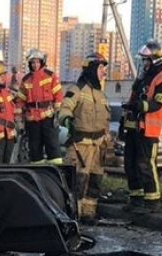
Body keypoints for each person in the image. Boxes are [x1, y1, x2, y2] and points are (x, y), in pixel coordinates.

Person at [120, 41, 162, 213]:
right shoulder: (142, 77)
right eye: (143, 60)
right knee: (130, 164)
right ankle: (135, 198)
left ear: (155, 60)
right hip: (133, 128)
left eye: (146, 60)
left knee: (146, 165)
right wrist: (124, 120)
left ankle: (152, 201)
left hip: (148, 131)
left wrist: (140, 106)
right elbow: (133, 98)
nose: (144, 64)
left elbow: (157, 104)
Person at [58, 53, 112, 224]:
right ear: (91, 69)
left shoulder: (101, 94)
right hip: (81, 146)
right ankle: (73, 215)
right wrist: (67, 120)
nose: (103, 72)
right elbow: (64, 108)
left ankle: (88, 213)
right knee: (77, 182)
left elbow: (105, 120)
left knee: (95, 181)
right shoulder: (77, 89)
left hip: (98, 147)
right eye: (101, 68)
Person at [15, 49, 63, 164]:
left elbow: (58, 95)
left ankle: (58, 171)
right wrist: (18, 119)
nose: (35, 65)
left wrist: (57, 112)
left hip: (48, 116)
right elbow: (20, 100)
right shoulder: (26, 80)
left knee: (52, 144)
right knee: (34, 147)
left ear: (41, 62)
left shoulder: (50, 76)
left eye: (37, 62)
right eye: (32, 62)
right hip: (32, 118)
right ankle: (38, 171)